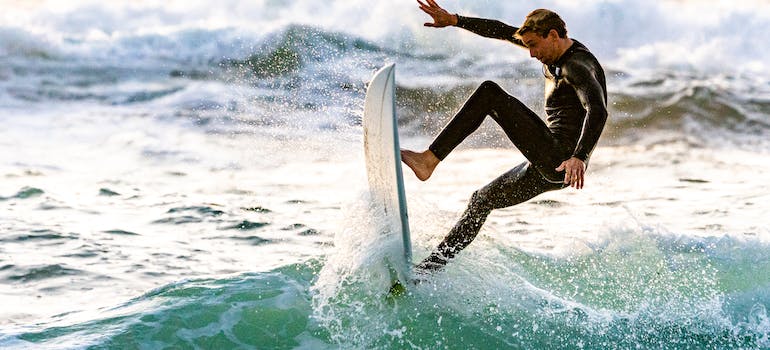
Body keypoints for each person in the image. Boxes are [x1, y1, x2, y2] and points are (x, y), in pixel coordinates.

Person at [402, 0, 608, 272]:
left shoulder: (577, 66)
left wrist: (579, 157)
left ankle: (429, 160)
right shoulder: (551, 50)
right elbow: (500, 30)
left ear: (554, 36)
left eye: (534, 45)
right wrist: (454, 20)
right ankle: (427, 271)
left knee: (490, 94)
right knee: (481, 200)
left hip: (561, 159)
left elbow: (598, 109)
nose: (531, 54)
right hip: (549, 166)